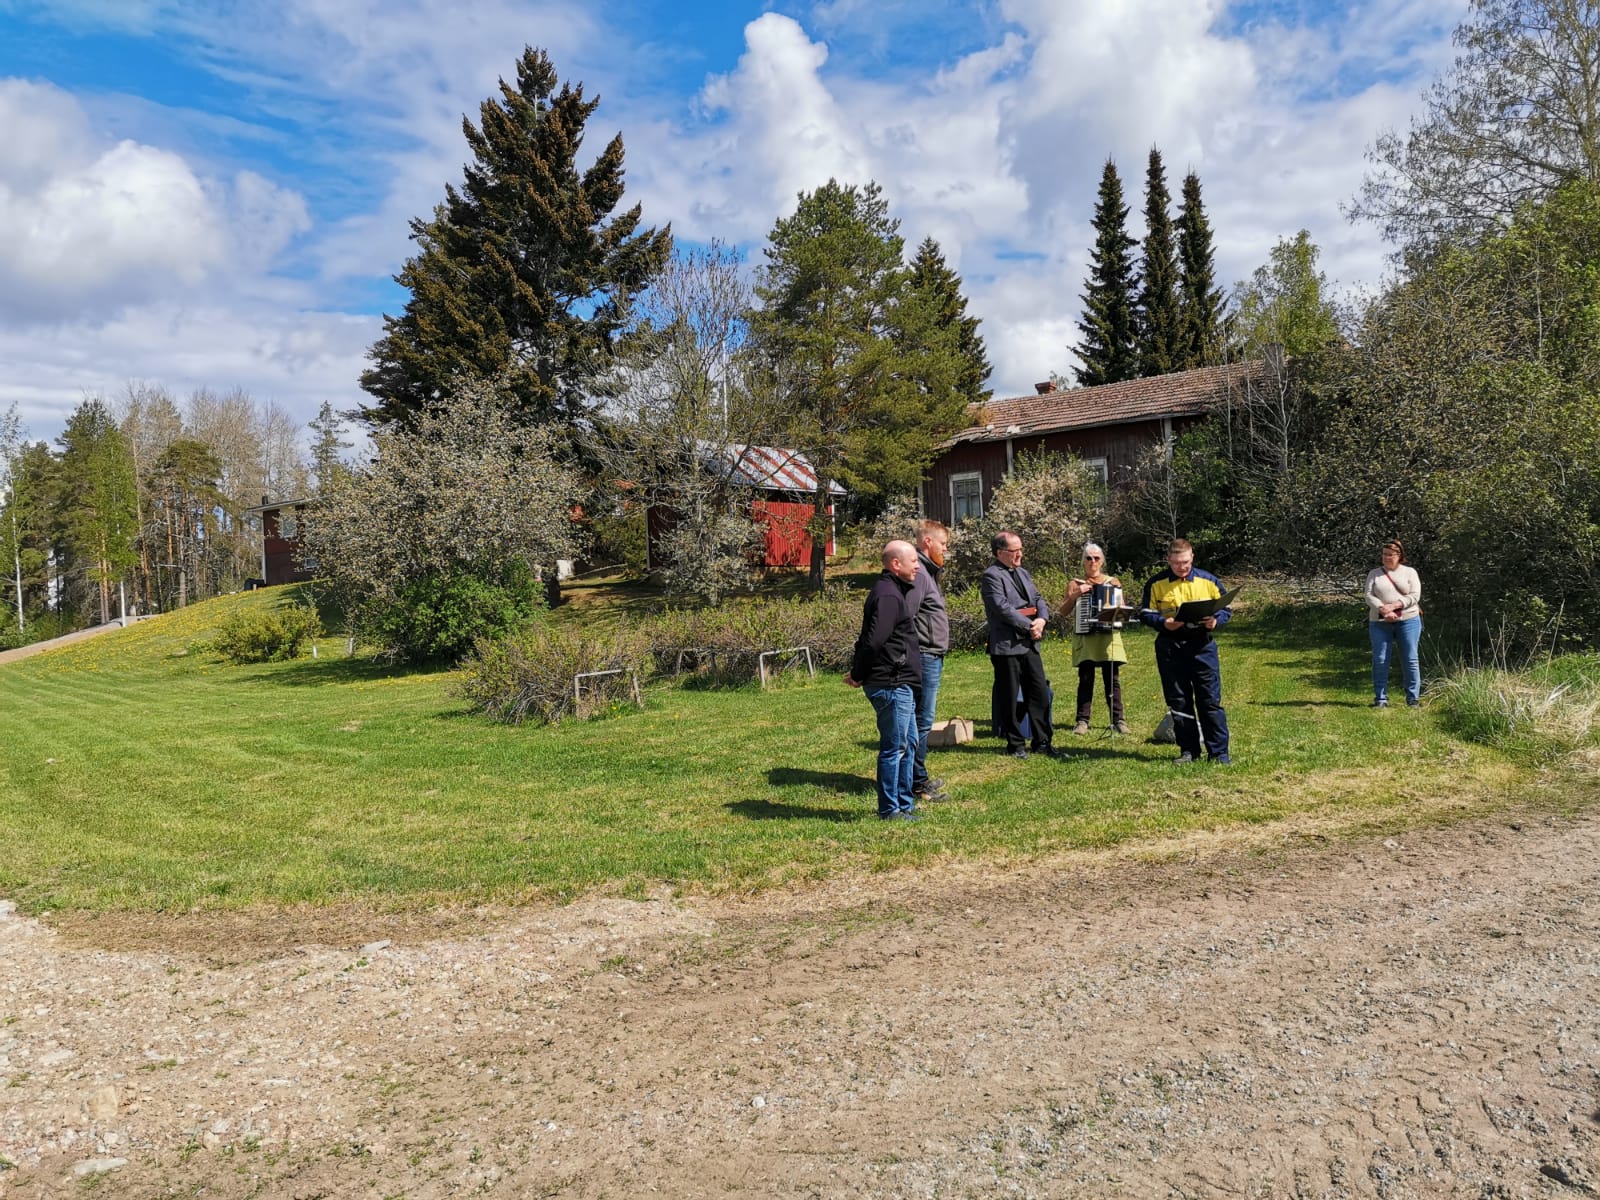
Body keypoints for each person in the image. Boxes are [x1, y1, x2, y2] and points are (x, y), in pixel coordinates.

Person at [845, 540, 924, 820]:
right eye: (913, 560)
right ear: (895, 564)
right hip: (891, 682)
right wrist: (858, 674)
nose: (918, 565)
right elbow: (872, 642)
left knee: (909, 743)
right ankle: (890, 809)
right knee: (896, 747)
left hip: (900, 681)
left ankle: (905, 804)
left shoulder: (892, 591)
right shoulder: (888, 595)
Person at [1139, 538, 1232, 764]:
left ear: (1192, 558)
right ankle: (1188, 750)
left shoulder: (1208, 580)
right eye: (1177, 563)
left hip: (1202, 646)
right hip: (1170, 646)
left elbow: (1226, 608)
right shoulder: (1156, 583)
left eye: (1186, 563)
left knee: (1209, 700)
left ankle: (1218, 753)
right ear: (1168, 560)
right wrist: (1163, 623)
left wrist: (1215, 622)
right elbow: (1145, 613)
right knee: (1178, 700)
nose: (1182, 567)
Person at [981, 530, 1069, 761]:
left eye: (1021, 549)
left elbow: (1038, 599)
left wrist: (1042, 619)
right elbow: (1002, 608)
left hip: (1029, 644)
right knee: (1009, 697)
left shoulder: (1023, 573)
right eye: (1014, 550)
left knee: (1039, 692)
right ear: (1000, 552)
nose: (1020, 554)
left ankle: (1042, 742)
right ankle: (1015, 743)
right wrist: (1029, 626)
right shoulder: (991, 576)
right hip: (1007, 646)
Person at [1062, 541, 1131, 736]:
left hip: (1109, 637)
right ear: (1083, 562)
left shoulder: (1113, 582)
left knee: (1112, 680)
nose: (1092, 561)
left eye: (1096, 558)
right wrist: (1076, 594)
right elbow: (1063, 611)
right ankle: (1082, 720)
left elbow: (1122, 611)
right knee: (1085, 679)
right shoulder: (1075, 583)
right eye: (1088, 558)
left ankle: (1118, 720)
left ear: (1102, 561)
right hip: (1086, 637)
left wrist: (1117, 594)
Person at [905, 520, 951, 802]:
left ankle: (917, 777)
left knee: (921, 720)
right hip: (924, 655)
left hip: (931, 653)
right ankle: (917, 782)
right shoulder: (920, 573)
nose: (946, 550)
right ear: (927, 543)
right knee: (922, 721)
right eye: (943, 544)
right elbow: (906, 615)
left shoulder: (927, 572)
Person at [1365, 539, 1423, 707]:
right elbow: (1369, 595)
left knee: (1410, 658)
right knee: (1380, 658)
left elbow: (1414, 596)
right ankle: (1380, 698)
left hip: (1408, 620)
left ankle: (1413, 698)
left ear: (1399, 556)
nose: (1386, 558)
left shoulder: (1410, 572)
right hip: (1380, 622)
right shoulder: (1374, 574)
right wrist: (1383, 609)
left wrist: (1396, 606)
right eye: (1384, 554)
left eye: (1390, 555)